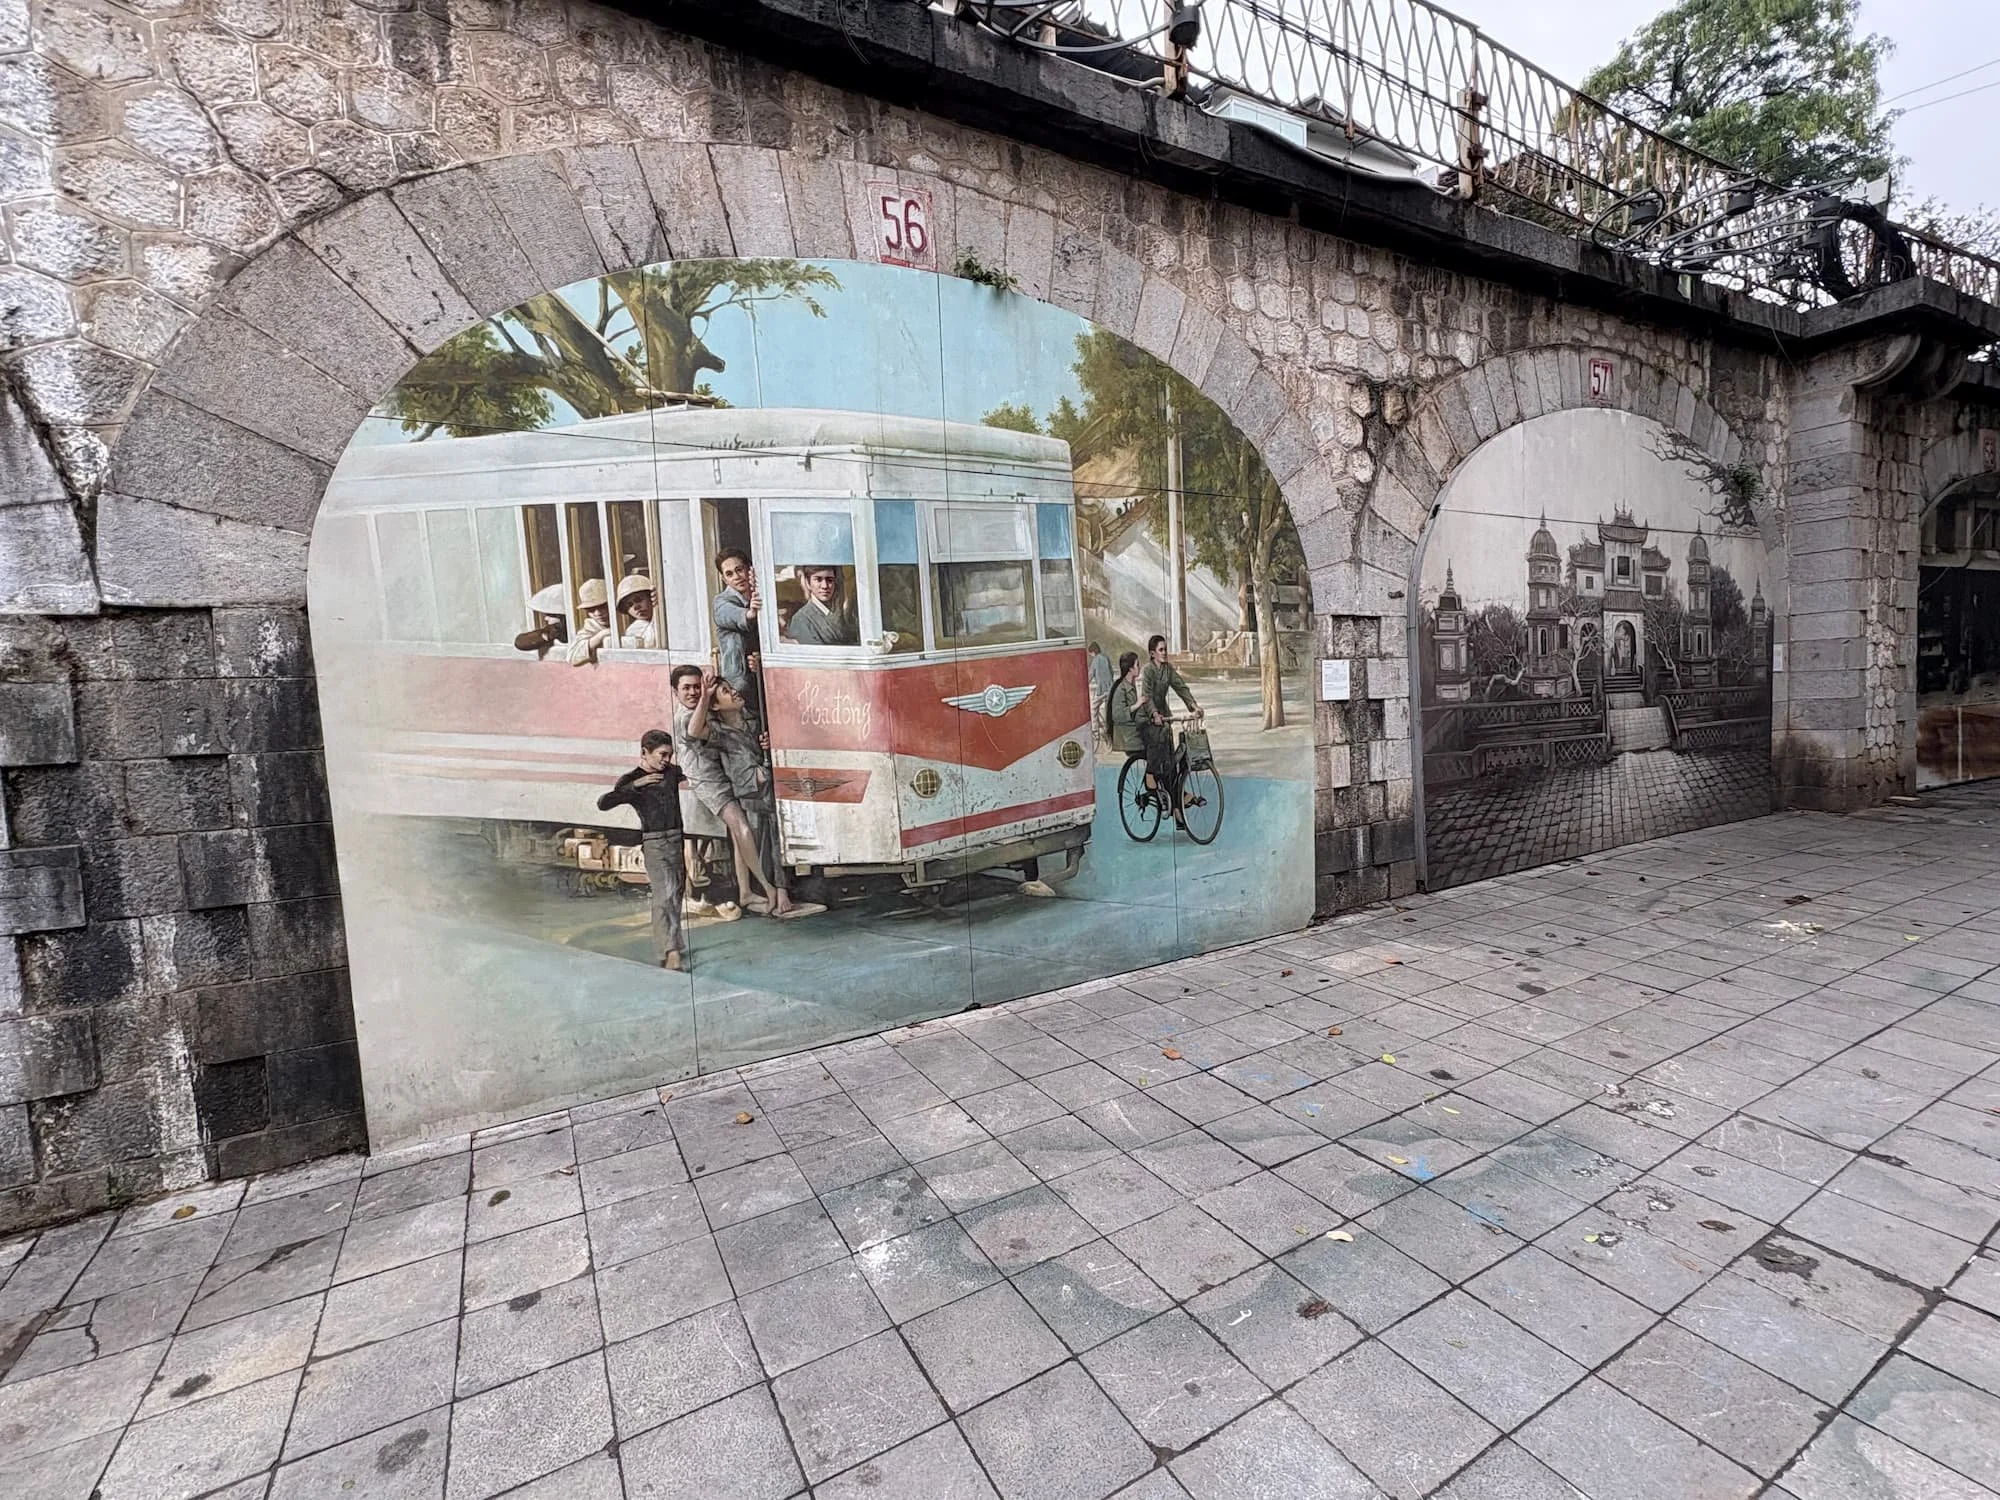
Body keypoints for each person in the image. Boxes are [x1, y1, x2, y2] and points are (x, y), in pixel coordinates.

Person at [671, 664, 818, 920]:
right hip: (710, 780)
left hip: (729, 777)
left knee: (743, 837)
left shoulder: (736, 718)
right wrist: (707, 694)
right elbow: (696, 731)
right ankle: (769, 888)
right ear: (675, 692)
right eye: (687, 688)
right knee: (744, 828)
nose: (694, 692)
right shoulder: (689, 717)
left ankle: (747, 891)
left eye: (697, 686)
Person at [596, 730, 688, 971]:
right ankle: (670, 951)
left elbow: (688, 773)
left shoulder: (671, 773)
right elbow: (604, 803)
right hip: (654, 842)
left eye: (669, 755)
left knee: (677, 893)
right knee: (664, 895)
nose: (666, 760)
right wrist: (637, 785)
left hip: (677, 839)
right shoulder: (632, 779)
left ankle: (673, 943)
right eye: (662, 755)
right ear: (644, 753)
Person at [1139, 633, 1201, 821]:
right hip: (1147, 716)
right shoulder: (1148, 670)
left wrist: (1193, 706)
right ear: (1152, 653)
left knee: (1171, 760)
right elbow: (1146, 696)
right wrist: (1154, 714)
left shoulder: (1168, 670)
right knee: (1160, 744)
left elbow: (1180, 687)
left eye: (1165, 649)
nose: (1165, 653)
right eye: (1161, 650)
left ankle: (1176, 807)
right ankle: (1150, 775)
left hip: (1163, 715)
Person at [712, 548, 762, 703]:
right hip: (738, 681)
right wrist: (750, 613)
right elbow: (730, 615)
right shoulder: (721, 602)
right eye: (729, 574)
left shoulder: (761, 594)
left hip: (762, 672)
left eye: (739, 570)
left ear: (749, 569)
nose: (736, 577)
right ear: (724, 579)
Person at [783, 565, 859, 646]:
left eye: (829, 580)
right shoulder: (801, 620)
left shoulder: (839, 614)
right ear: (808, 583)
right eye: (818, 580)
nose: (825, 586)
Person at [513, 583, 569, 659]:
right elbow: (520, 642)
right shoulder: (551, 631)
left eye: (550, 615)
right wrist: (545, 636)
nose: (546, 618)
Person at [568, 577, 614, 666]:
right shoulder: (590, 627)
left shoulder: (625, 621)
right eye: (591, 609)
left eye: (603, 607)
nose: (598, 613)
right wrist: (600, 636)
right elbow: (572, 657)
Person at [1104, 650, 1143, 754]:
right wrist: (1137, 705)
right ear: (1130, 668)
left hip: (1131, 730)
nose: (1140, 667)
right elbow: (1118, 715)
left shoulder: (1130, 685)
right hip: (1127, 734)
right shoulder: (1121, 688)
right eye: (1137, 665)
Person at [617, 575, 660, 649]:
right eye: (630, 605)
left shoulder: (665, 618)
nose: (636, 607)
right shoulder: (632, 631)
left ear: (651, 597)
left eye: (638, 600)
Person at [1087, 642, 1115, 745]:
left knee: (1093, 708)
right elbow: (1111, 672)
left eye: (1091, 654)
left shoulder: (1095, 661)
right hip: (1110, 689)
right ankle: (1109, 731)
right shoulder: (1106, 658)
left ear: (1093, 652)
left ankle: (1095, 732)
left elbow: (1090, 676)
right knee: (1108, 711)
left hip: (1101, 690)